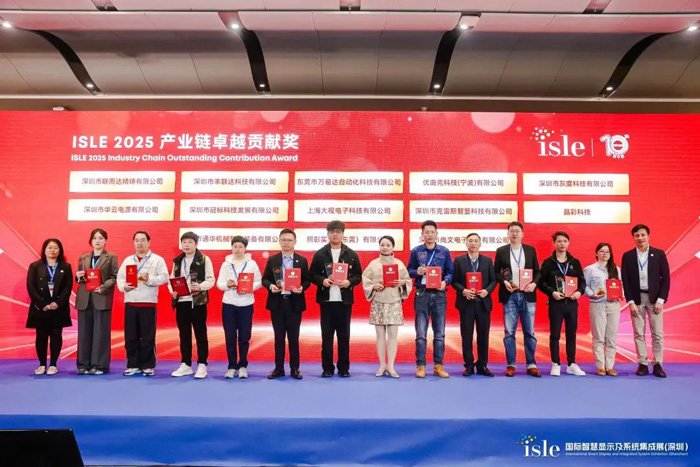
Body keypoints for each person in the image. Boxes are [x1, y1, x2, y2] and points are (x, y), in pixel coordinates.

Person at [310, 220, 362, 378]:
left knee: (344, 337)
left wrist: (349, 282)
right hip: (326, 302)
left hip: (344, 302)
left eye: (338, 232)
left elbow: (358, 275)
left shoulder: (351, 254)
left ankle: (344, 368)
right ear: (327, 234)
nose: (335, 234)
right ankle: (327, 368)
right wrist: (322, 281)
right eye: (332, 231)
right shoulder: (320, 254)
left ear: (343, 234)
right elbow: (312, 275)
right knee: (326, 337)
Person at [116, 231, 169, 376]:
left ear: (149, 242)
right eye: (137, 240)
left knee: (147, 336)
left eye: (143, 240)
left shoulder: (157, 259)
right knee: (131, 336)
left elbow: (165, 277)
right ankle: (132, 365)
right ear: (133, 243)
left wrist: (149, 279)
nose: (140, 243)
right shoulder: (128, 260)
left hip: (148, 303)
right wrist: (123, 286)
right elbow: (120, 278)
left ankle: (148, 365)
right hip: (131, 302)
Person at [621, 224, 671, 378]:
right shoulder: (628, 256)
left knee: (657, 333)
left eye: (643, 235)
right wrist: (630, 302)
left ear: (648, 236)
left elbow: (666, 278)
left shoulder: (659, 254)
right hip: (637, 299)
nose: (640, 238)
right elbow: (625, 280)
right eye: (637, 235)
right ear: (633, 238)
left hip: (655, 299)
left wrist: (661, 300)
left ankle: (658, 364)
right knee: (638, 333)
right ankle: (642, 363)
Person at [262, 228, 311, 380]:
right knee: (278, 338)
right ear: (279, 241)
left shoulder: (301, 260)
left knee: (294, 338)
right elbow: (265, 279)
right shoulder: (273, 260)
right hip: (277, 303)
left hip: (294, 304)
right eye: (283, 240)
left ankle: (295, 369)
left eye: (289, 240)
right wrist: (271, 287)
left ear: (295, 242)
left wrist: (301, 288)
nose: (286, 243)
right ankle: (279, 368)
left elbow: (307, 280)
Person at [407, 220, 454, 378]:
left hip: (440, 295)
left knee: (439, 333)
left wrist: (445, 281)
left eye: (432, 232)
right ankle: (421, 365)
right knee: (421, 333)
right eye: (426, 232)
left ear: (436, 234)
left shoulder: (444, 251)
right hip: (422, 294)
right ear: (422, 234)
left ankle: (438, 366)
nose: (429, 235)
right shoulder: (416, 251)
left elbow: (450, 272)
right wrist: (417, 271)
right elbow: (408, 271)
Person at [494, 221, 541, 377]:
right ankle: (511, 364)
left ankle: (531, 364)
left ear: (522, 234)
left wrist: (534, 284)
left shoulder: (530, 250)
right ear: (508, 234)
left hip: (528, 295)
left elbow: (537, 271)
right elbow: (496, 273)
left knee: (530, 332)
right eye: (512, 231)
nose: (514, 233)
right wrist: (504, 282)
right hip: (510, 295)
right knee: (509, 332)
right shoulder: (501, 251)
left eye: (517, 231)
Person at [362, 235, 412, 378]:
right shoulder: (373, 264)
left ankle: (391, 365)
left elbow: (408, 280)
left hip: (394, 301)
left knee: (393, 336)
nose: (385, 247)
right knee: (380, 336)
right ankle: (382, 364)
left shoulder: (399, 264)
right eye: (382, 245)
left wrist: (402, 283)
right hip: (378, 302)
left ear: (393, 247)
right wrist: (373, 286)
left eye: (388, 245)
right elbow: (365, 279)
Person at [538, 231, 586, 377]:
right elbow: (541, 282)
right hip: (556, 303)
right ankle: (555, 364)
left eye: (565, 241)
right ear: (555, 243)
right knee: (555, 334)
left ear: (568, 243)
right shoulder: (548, 262)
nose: (562, 244)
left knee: (571, 334)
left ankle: (571, 364)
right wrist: (552, 292)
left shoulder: (575, 262)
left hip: (572, 303)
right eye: (559, 241)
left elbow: (582, 282)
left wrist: (579, 292)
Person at [169, 231, 215, 379]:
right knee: (184, 334)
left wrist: (200, 286)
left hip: (197, 302)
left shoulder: (204, 259)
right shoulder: (177, 261)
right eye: (184, 242)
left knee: (200, 334)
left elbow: (211, 279)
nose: (186, 245)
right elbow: (171, 279)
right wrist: (172, 291)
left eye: (190, 242)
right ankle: (186, 364)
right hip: (181, 302)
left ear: (196, 244)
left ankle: (202, 364)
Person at [217, 235, 262, 379]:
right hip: (229, 304)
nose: (237, 249)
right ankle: (231, 366)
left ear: (245, 248)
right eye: (235, 246)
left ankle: (242, 366)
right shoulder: (226, 264)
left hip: (246, 304)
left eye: (240, 247)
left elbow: (259, 282)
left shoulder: (252, 264)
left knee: (244, 337)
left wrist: (248, 288)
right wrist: (227, 285)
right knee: (230, 337)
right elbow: (219, 284)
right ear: (231, 248)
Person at [26, 238, 73, 375]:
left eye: (55, 248)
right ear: (44, 250)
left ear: (60, 250)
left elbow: (67, 287)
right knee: (41, 336)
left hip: (58, 307)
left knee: (56, 335)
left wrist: (57, 303)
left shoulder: (65, 267)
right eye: (49, 247)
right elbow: (31, 287)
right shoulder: (35, 266)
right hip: (40, 308)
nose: (52, 250)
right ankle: (42, 364)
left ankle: (53, 364)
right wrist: (42, 304)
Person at [451, 233, 496, 377]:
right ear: (466, 243)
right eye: (470, 241)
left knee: (483, 336)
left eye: (476, 241)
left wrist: (487, 291)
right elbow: (454, 280)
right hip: (466, 303)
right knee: (466, 335)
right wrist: (463, 290)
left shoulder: (487, 261)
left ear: (480, 244)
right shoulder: (459, 260)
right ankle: (469, 365)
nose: (473, 243)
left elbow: (493, 280)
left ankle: (482, 365)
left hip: (483, 303)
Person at [75, 228, 118, 375]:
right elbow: (80, 278)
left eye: (100, 238)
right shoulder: (84, 257)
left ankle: (99, 365)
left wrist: (104, 286)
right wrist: (78, 276)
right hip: (85, 298)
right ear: (91, 241)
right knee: (84, 333)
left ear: (105, 241)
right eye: (95, 238)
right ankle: (83, 365)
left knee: (101, 333)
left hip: (102, 298)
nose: (97, 241)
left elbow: (115, 277)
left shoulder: (111, 257)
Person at [584, 242, 623, 376]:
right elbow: (584, 286)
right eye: (601, 251)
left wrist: (620, 294)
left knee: (611, 337)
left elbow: (621, 285)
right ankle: (600, 366)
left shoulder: (616, 269)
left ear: (610, 254)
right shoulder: (590, 269)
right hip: (597, 304)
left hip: (614, 305)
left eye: (607, 251)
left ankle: (610, 366)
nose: (604, 254)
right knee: (599, 337)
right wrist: (592, 294)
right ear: (596, 253)